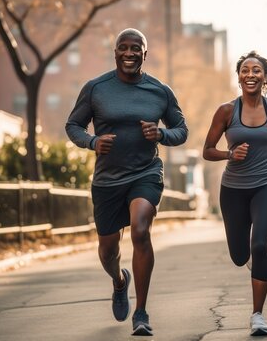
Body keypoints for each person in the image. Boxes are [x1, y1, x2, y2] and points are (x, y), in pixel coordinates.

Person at [65, 28, 188, 336]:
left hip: (145, 173)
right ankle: (120, 282)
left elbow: (181, 130)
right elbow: (73, 125)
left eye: (137, 48)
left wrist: (160, 134)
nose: (130, 53)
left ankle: (142, 312)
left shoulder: (160, 91)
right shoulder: (96, 88)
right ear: (116, 52)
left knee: (141, 230)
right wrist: (93, 142)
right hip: (107, 180)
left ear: (145, 54)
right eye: (124, 48)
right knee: (108, 250)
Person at [202, 50, 267, 336]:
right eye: (245, 70)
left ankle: (257, 314)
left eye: (256, 70)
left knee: (260, 245)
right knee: (238, 255)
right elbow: (207, 151)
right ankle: (247, 259)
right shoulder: (226, 111)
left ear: (265, 77)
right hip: (233, 190)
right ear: (239, 77)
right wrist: (229, 154)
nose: (250, 74)